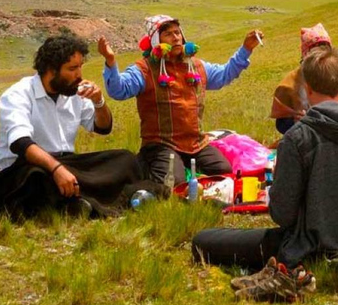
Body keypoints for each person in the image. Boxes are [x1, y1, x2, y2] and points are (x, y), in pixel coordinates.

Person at [192, 47, 338, 301]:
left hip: (314, 248)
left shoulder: (298, 138)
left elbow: (283, 215)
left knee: (203, 240)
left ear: (307, 89)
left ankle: (293, 275)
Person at [0, 33, 164, 218]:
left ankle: (77, 204)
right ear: (51, 70)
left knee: (125, 159)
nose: (79, 75)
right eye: (72, 68)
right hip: (22, 168)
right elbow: (20, 143)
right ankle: (91, 202)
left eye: (80, 67)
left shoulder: (74, 92)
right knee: (37, 179)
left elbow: (103, 127)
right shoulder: (18, 94)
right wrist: (56, 169)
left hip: (67, 163)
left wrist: (98, 101)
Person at [98, 15, 262, 184]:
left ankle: (186, 170)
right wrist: (110, 62)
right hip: (161, 144)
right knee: (174, 183)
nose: (176, 37)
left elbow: (224, 75)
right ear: (156, 40)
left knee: (223, 171)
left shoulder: (196, 66)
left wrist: (246, 49)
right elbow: (119, 90)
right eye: (168, 34)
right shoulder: (144, 69)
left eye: (177, 32)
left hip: (196, 143)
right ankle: (149, 167)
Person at [271, 23, 338, 135]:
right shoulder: (291, 82)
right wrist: (297, 121)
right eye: (315, 53)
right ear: (306, 55)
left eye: (324, 50)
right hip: (307, 138)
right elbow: (281, 124)